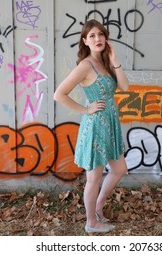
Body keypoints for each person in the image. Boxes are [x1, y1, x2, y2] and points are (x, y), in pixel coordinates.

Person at [54, 19, 129, 233]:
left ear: (106, 38)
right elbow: (59, 94)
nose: (98, 39)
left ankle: (97, 207)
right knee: (94, 177)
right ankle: (91, 223)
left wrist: (115, 60)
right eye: (92, 36)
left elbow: (124, 87)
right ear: (85, 41)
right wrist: (86, 110)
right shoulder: (85, 66)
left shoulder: (105, 62)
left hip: (111, 124)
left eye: (101, 35)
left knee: (119, 169)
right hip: (96, 125)